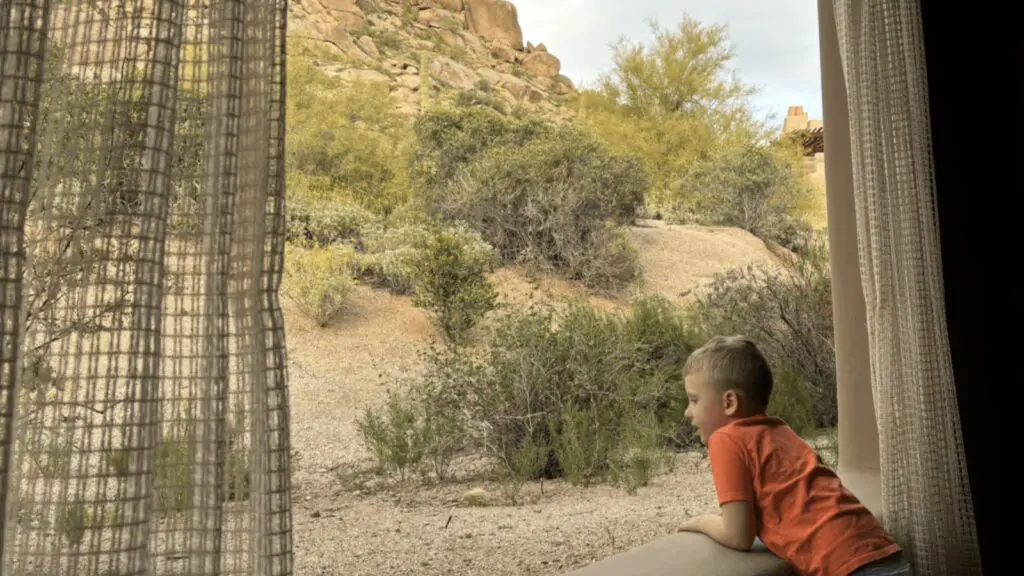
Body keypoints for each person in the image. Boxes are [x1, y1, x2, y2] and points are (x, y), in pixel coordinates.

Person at [676, 335, 912, 576]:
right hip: (884, 552)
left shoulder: (725, 439)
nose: (687, 412)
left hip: (849, 568)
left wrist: (698, 522)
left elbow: (738, 535)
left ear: (729, 402)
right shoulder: (780, 431)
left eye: (694, 400)